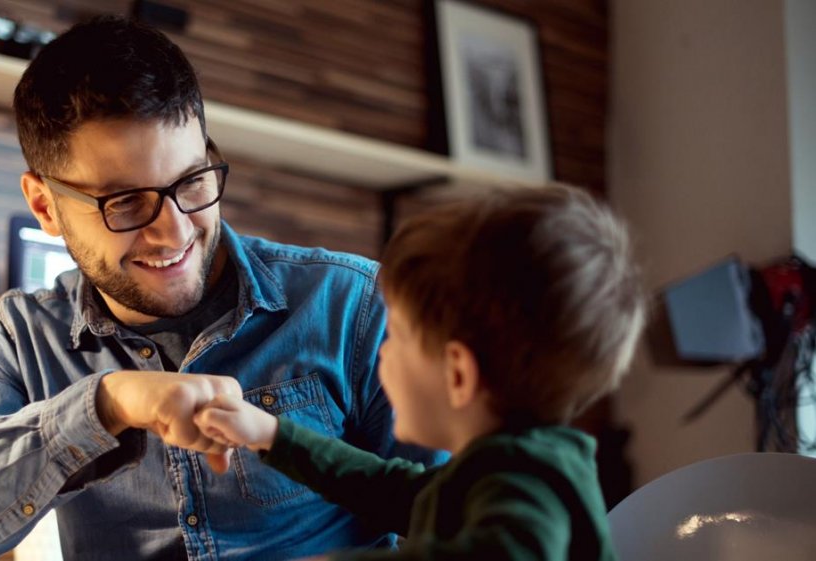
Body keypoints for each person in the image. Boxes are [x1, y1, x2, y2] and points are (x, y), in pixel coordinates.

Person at [0, 14, 444, 561]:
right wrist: (103, 405)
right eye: (125, 202)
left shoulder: (355, 306)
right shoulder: (17, 340)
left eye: (192, 181)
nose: (174, 232)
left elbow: (464, 526)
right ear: (44, 205)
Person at [191, 185, 647, 560]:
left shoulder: (524, 484)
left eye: (398, 339)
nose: (382, 354)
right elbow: (386, 489)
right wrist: (272, 434)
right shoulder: (495, 469)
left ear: (457, 375)